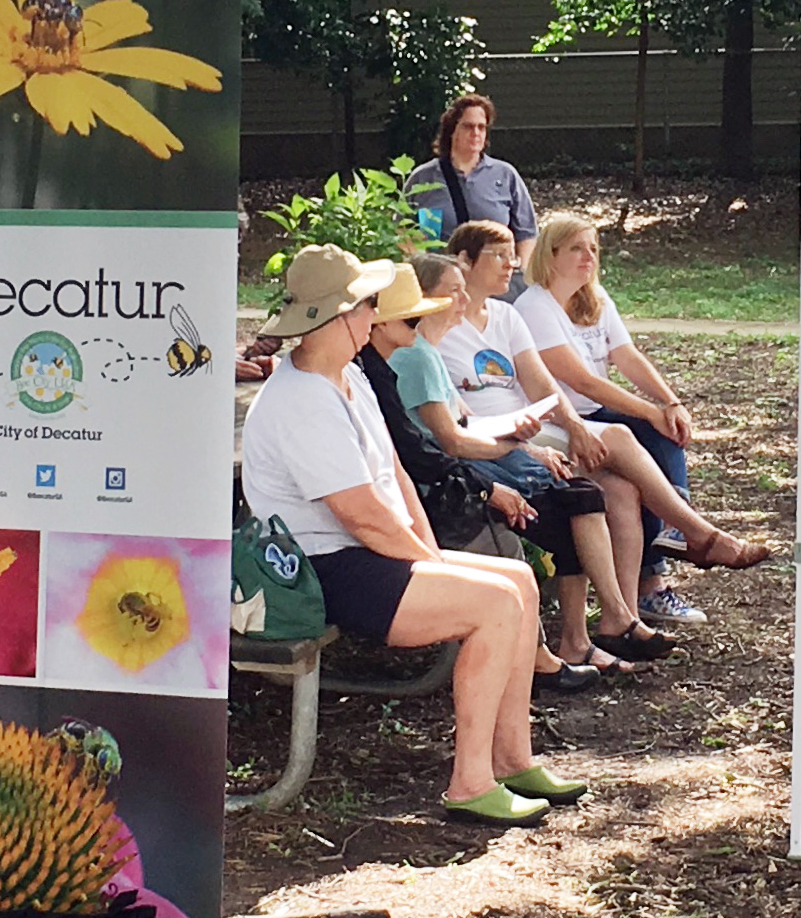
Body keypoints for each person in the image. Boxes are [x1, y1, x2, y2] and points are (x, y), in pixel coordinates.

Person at [240, 244, 586, 827]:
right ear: (342, 314)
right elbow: (361, 517)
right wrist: (431, 565)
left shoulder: (346, 373)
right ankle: (470, 782)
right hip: (323, 570)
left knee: (519, 579)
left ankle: (513, 758)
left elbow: (394, 476)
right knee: (494, 601)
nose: (376, 312)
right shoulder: (301, 399)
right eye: (369, 302)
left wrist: (430, 557)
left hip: (363, 554)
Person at [383, 254, 673, 674]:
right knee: (579, 503)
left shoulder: (425, 352)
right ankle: (589, 634)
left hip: (473, 466)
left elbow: (467, 421)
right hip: (454, 485)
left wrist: (528, 447)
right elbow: (449, 440)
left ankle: (595, 631)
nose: (465, 298)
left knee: (583, 497)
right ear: (425, 300)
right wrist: (511, 451)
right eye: (454, 290)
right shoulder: (417, 358)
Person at [517, 212, 771, 616]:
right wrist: (650, 411)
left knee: (665, 432)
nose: (588, 257)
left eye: (594, 249)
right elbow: (582, 381)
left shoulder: (594, 300)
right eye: (577, 248)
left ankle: (673, 536)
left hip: (594, 413)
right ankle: (680, 545)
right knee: (637, 442)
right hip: (556, 420)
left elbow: (627, 356)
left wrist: (670, 404)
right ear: (551, 254)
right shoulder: (534, 306)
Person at [406, 93, 540, 272]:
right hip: (444, 282)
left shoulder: (505, 175)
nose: (475, 133)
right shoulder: (423, 178)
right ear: (452, 130)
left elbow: (527, 234)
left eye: (481, 127)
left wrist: (520, 277)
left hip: (496, 281)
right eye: (468, 126)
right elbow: (405, 234)